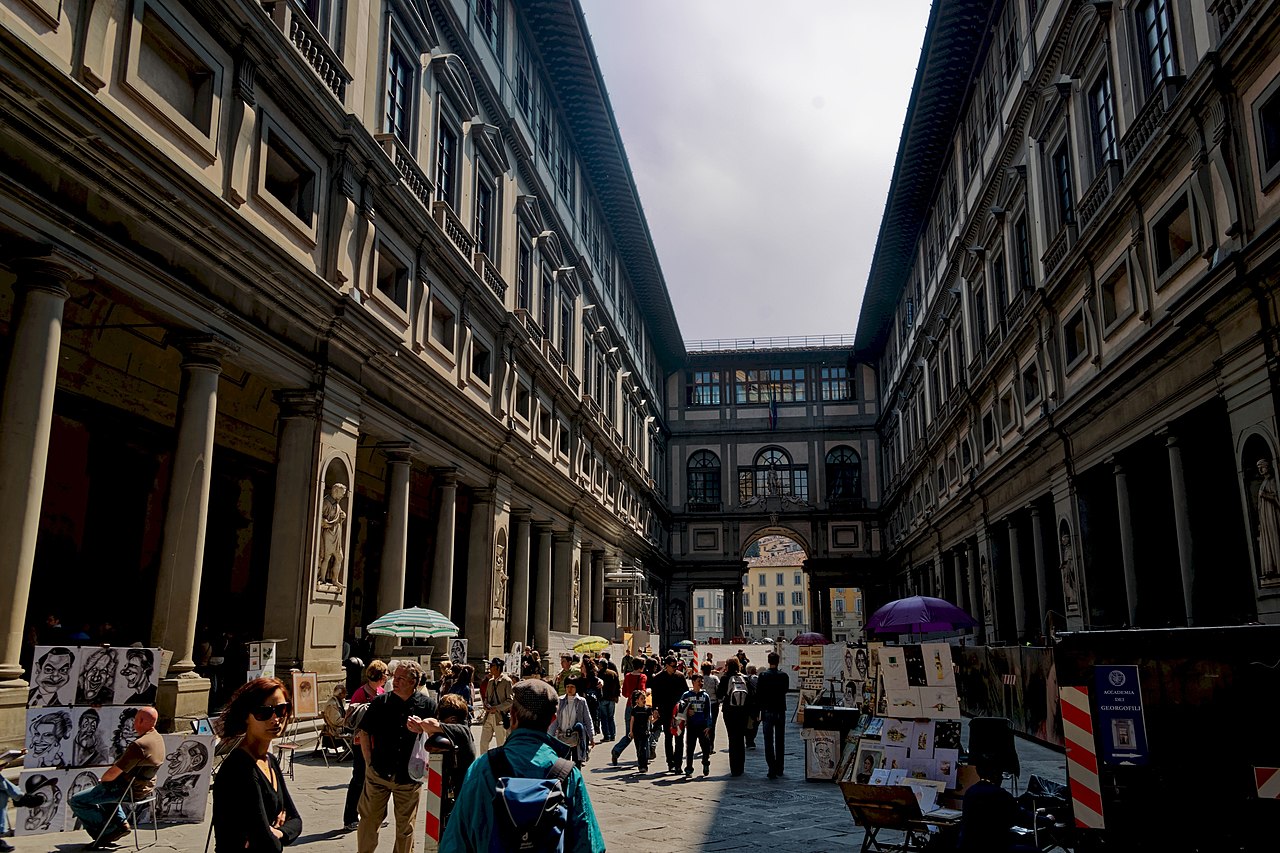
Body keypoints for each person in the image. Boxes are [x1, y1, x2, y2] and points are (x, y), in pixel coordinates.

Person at [439, 679, 605, 853]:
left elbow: (455, 841)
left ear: (513, 716)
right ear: (552, 720)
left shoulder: (483, 767)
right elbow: (590, 845)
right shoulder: (568, 774)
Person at [212, 678, 302, 852]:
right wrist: (273, 834)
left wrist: (279, 832)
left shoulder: (270, 760)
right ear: (246, 717)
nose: (276, 719)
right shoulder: (240, 768)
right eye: (264, 712)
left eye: (282, 709)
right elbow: (265, 841)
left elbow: (296, 820)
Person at [356, 661, 436, 853]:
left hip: (409, 777)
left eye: (400, 678)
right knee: (368, 822)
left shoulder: (427, 705)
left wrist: (424, 727)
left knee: (405, 829)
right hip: (378, 774)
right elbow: (364, 732)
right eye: (394, 677)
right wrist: (368, 762)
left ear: (413, 682)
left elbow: (436, 735)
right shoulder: (380, 703)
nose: (395, 681)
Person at [68, 706, 164, 848]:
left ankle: (107, 832)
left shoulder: (139, 745)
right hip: (144, 788)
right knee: (106, 789)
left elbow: (113, 773)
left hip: (129, 790)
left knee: (77, 800)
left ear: (141, 720)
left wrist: (104, 780)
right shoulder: (157, 738)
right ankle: (121, 824)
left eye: (136, 720)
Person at [411, 693, 475, 830]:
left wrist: (421, 724)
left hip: (461, 788)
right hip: (452, 788)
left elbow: (430, 724)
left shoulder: (460, 730)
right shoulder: (461, 729)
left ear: (451, 719)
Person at [958, 759, 1045, 853]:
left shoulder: (971, 791)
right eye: (1001, 774)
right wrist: (1046, 820)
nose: (1002, 778)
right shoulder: (1000, 794)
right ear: (995, 775)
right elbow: (1022, 818)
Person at [649, 656, 687, 774]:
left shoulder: (680, 676)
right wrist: (655, 709)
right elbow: (655, 695)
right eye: (673, 666)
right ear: (666, 666)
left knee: (679, 738)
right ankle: (670, 762)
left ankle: (678, 764)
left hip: (679, 712)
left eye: (676, 666)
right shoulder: (658, 678)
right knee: (668, 737)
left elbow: (685, 693)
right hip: (665, 712)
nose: (675, 668)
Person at [716, 657, 754, 776]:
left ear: (728, 666)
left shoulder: (725, 678)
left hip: (729, 712)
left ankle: (734, 768)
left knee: (732, 739)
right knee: (740, 738)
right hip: (743, 712)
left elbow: (719, 694)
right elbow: (751, 696)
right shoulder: (745, 678)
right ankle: (741, 767)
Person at [756, 651, 789, 779]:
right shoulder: (784, 676)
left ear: (769, 661)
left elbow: (759, 694)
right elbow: (785, 690)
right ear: (778, 661)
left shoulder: (763, 676)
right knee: (780, 740)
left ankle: (771, 767)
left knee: (768, 740)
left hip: (767, 710)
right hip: (780, 710)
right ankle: (780, 767)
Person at [609, 657, 648, 764]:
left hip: (629, 706)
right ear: (641, 666)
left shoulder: (627, 676)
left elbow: (625, 693)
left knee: (629, 733)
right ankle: (642, 756)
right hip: (639, 709)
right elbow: (642, 691)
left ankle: (617, 750)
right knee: (641, 733)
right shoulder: (642, 677)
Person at [550, 680, 594, 766]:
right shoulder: (560, 701)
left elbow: (588, 720)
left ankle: (576, 778)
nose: (570, 689)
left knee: (577, 763)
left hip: (576, 737)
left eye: (572, 687)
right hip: (562, 736)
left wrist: (591, 736)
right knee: (563, 765)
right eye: (567, 687)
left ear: (576, 688)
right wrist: (550, 736)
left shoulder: (581, 701)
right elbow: (555, 721)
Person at [677, 673, 713, 777]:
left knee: (705, 747)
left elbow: (708, 712)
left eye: (702, 681)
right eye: (698, 681)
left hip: (702, 725)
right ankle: (689, 768)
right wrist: (687, 711)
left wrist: (708, 725)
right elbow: (680, 708)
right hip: (691, 725)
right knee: (690, 747)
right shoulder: (687, 695)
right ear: (693, 682)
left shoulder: (705, 696)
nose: (701, 683)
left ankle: (705, 763)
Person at [478, 658, 513, 750]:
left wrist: (496, 708)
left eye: (492, 666)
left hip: (500, 716)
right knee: (483, 743)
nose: (490, 668)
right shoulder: (490, 681)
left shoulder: (507, 681)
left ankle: (501, 764)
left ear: (498, 668)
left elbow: (510, 701)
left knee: (501, 744)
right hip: (489, 715)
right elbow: (486, 697)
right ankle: (484, 763)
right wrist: (486, 704)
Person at [628, 689, 654, 772]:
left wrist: (657, 718)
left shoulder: (647, 709)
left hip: (645, 732)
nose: (644, 700)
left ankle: (644, 765)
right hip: (636, 732)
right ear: (637, 701)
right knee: (638, 749)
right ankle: (640, 764)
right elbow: (632, 721)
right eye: (642, 699)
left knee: (644, 748)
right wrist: (631, 731)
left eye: (644, 698)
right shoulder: (634, 710)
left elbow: (651, 720)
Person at [598, 659, 620, 741]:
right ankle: (613, 734)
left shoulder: (600, 674)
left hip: (603, 698)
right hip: (612, 698)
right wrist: (617, 696)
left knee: (604, 718)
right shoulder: (613, 673)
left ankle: (607, 736)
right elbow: (618, 685)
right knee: (611, 717)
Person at [701, 662, 721, 749]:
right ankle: (711, 745)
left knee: (703, 724)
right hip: (713, 704)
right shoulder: (715, 678)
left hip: (702, 704)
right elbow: (719, 690)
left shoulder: (700, 679)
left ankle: (704, 744)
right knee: (712, 725)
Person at [744, 664, 761, 748]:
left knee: (748, 723)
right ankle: (751, 740)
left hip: (747, 704)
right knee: (755, 723)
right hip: (756, 704)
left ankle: (748, 740)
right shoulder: (757, 679)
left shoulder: (744, 678)